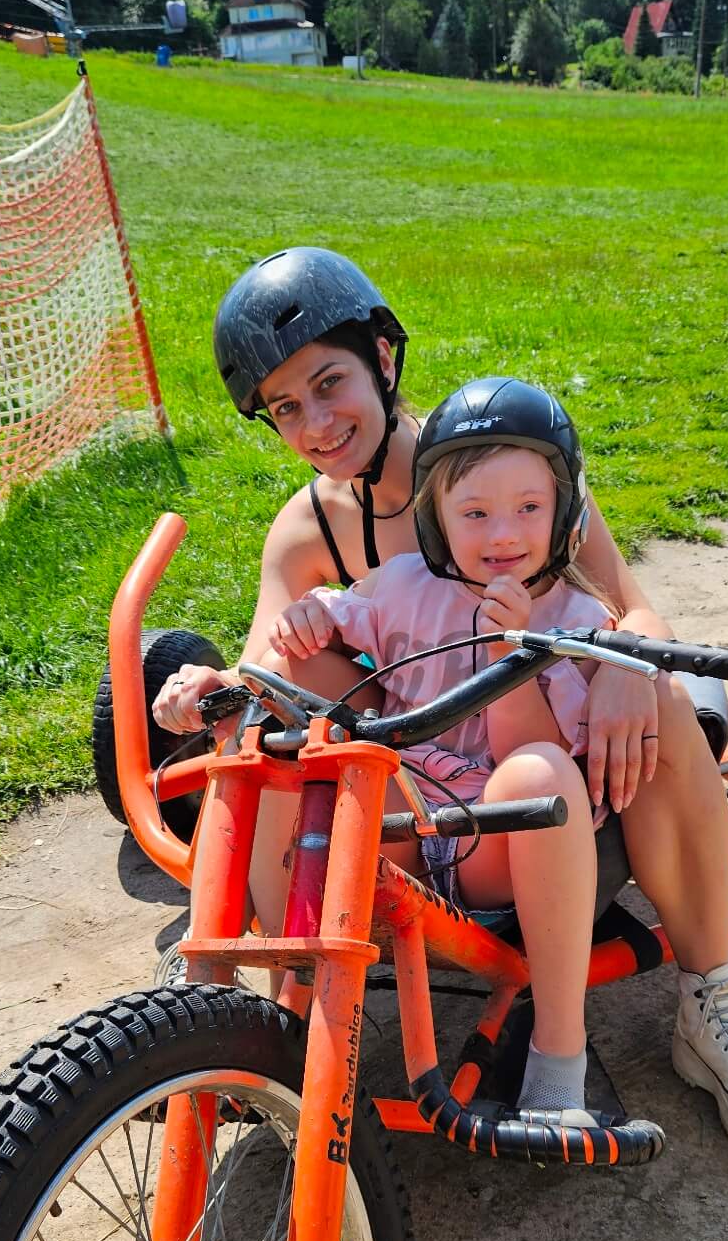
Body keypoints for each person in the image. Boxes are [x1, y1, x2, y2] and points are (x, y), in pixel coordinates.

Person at [154, 249, 728, 1155]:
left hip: (556, 799)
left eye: (329, 383)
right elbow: (262, 678)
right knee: (276, 710)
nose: (316, 423)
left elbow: (631, 609)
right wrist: (213, 690)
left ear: (382, 359)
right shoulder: (307, 530)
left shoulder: (502, 468)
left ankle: (709, 999)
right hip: (420, 805)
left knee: (661, 695)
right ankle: (258, 1007)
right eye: (285, 407)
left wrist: (624, 664)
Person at [263, 378, 625, 1125]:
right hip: (399, 820)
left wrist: (509, 651)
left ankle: (559, 1057)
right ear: (437, 520)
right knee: (284, 738)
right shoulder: (405, 585)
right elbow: (331, 617)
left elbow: (536, 761)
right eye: (475, 513)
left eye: (529, 508)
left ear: (564, 513)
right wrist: (305, 622)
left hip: (490, 843)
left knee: (542, 773)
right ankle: (274, 1018)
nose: (502, 535)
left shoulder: (575, 619)